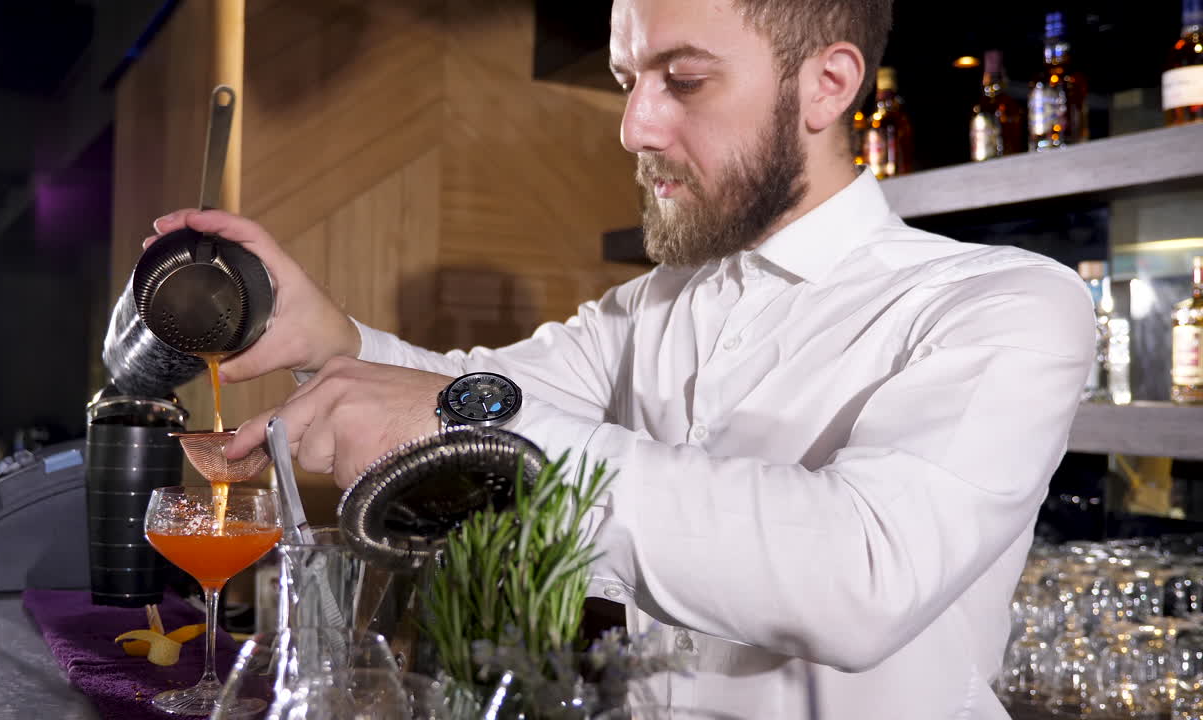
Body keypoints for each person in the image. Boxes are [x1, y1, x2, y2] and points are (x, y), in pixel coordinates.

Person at [149, 0, 1094, 716]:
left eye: (682, 81)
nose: (634, 126)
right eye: (627, 80)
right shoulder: (656, 305)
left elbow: (862, 574)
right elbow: (485, 391)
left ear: (829, 85)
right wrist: (334, 342)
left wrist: (449, 419)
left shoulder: (1002, 304)